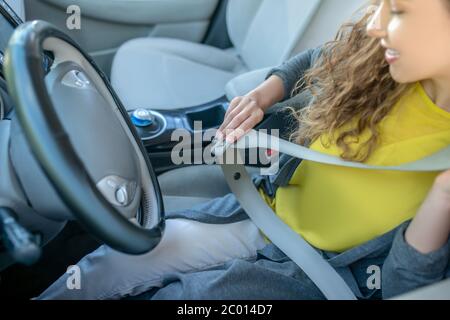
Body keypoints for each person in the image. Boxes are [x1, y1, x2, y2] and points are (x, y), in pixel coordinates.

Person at [38, 0, 450, 300]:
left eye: (397, 11)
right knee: (114, 259)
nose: (375, 24)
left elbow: (404, 291)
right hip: (265, 210)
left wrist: (442, 199)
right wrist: (264, 94)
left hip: (319, 276)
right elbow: (321, 59)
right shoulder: (384, 57)